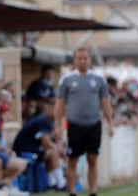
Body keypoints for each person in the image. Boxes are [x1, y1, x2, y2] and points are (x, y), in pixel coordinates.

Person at [54, 47, 114, 196]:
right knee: (72, 159)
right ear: (75, 60)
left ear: (89, 60)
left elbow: (105, 102)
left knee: (92, 159)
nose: (82, 61)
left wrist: (110, 123)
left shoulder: (98, 79)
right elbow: (60, 103)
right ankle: (72, 191)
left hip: (93, 124)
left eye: (85, 58)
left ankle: (93, 191)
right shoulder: (67, 79)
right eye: (79, 58)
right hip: (75, 125)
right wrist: (58, 125)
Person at [13, 99, 66, 191]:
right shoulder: (42, 120)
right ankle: (61, 184)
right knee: (53, 153)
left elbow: (57, 139)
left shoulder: (50, 122)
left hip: (35, 148)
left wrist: (61, 148)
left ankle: (52, 184)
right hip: (24, 150)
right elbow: (46, 143)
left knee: (53, 152)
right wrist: (60, 152)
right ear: (50, 109)